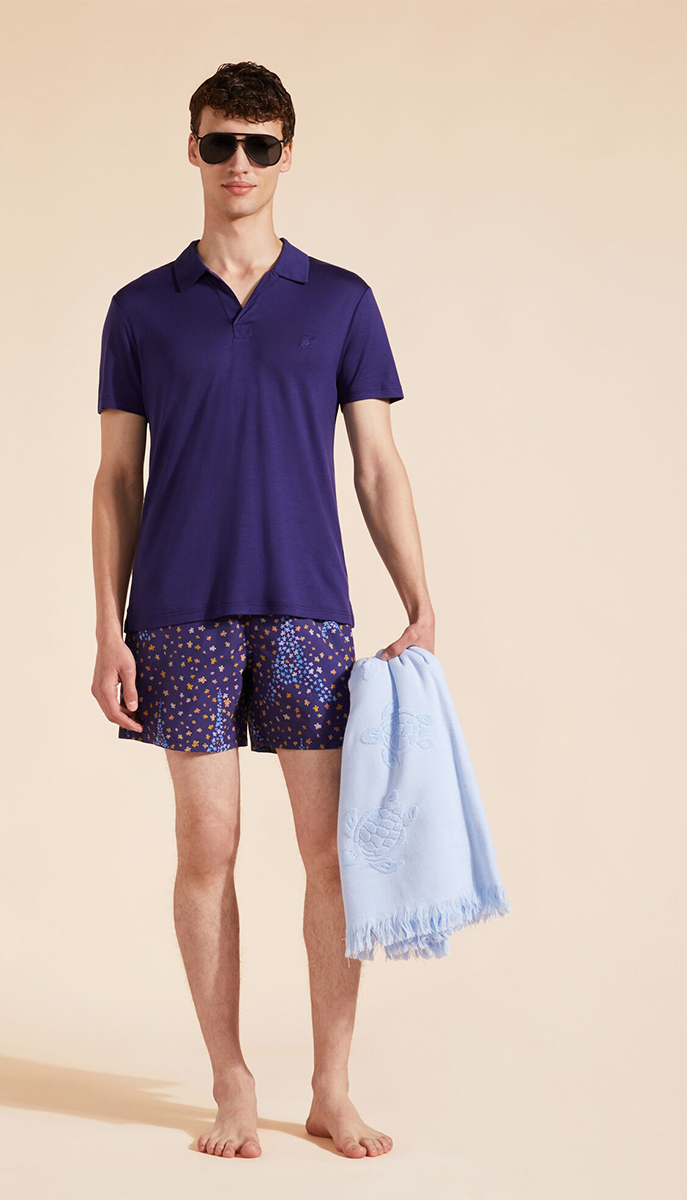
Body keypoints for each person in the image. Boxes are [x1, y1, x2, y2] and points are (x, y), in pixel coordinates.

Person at [90, 61, 434, 1160]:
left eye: (260, 144)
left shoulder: (341, 301)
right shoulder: (140, 309)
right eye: (220, 142)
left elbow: (378, 465)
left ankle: (331, 1087)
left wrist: (421, 599)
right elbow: (116, 479)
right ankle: (231, 1081)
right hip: (178, 614)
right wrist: (106, 627)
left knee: (331, 851)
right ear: (192, 150)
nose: (239, 163)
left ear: (287, 154)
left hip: (307, 612)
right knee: (208, 846)